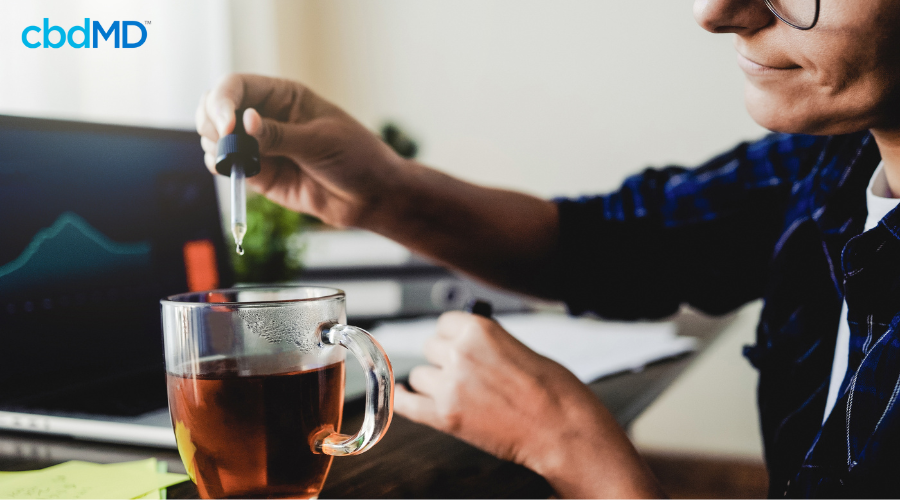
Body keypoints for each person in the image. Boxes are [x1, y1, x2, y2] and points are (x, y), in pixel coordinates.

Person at [195, 0, 900, 497]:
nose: (713, 10)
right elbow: (610, 245)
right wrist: (378, 191)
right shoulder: (829, 164)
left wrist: (570, 450)